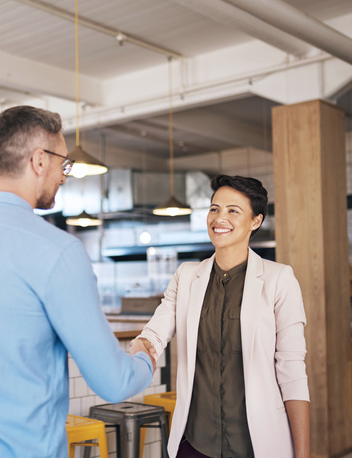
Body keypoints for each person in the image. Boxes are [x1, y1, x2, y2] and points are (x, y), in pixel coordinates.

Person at [0, 105, 155, 458]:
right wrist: (144, 358)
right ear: (39, 161)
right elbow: (113, 381)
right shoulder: (59, 251)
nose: (65, 176)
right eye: (63, 164)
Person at [131, 175, 310, 458]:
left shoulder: (279, 279)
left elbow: (292, 371)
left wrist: (302, 453)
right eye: (214, 208)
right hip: (195, 443)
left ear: (256, 221)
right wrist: (143, 347)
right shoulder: (187, 276)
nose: (219, 218)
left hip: (257, 444)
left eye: (232, 210)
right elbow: (155, 331)